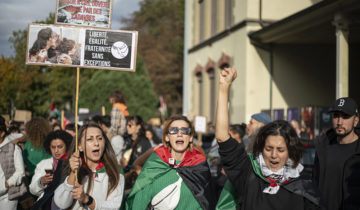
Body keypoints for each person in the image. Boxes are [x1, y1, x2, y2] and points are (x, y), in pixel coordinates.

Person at [215, 67, 320, 210]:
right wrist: (224, 87)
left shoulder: (303, 182)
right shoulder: (248, 172)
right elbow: (222, 137)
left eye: (281, 150)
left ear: (290, 151)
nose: (274, 155)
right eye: (269, 149)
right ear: (261, 148)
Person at [126, 116, 215, 209]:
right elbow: (139, 201)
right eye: (173, 130)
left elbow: (206, 203)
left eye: (185, 130)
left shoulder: (199, 164)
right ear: (167, 137)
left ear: (191, 137)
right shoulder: (156, 161)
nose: (179, 134)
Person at [53, 124, 125, 209]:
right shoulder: (67, 166)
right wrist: (73, 173)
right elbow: (61, 203)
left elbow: (115, 206)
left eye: (100, 138)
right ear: (79, 146)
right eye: (89, 139)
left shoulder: (115, 171)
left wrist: (87, 199)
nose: (96, 143)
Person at [312, 97, 360, 209]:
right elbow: (313, 185)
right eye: (336, 116)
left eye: (345, 116)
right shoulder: (322, 147)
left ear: (356, 120)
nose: (339, 122)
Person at [29, 130, 72, 201]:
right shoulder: (43, 164)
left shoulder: (73, 164)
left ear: (67, 146)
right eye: (53, 147)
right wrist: (41, 182)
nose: (56, 151)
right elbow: (32, 189)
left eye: (60, 147)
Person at [0, 116, 26, 209]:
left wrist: (7, 184)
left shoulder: (13, 148)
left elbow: (20, 172)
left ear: (2, 132)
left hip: (8, 196)